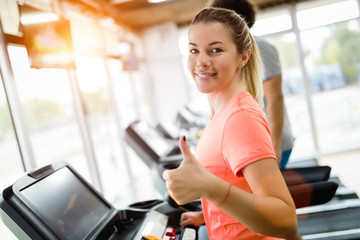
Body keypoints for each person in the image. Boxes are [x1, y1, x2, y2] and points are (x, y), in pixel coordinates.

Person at [163, 7, 300, 240]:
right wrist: (208, 214)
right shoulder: (220, 114)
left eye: (215, 50)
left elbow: (286, 221)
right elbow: (238, 186)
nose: (201, 61)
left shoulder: (240, 120)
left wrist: (210, 188)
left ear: (243, 57)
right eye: (194, 50)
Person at [211, 0, 295, 169]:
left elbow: (275, 98)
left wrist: (275, 144)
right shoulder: (227, 53)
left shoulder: (261, 48)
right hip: (251, 141)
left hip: (270, 141)